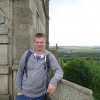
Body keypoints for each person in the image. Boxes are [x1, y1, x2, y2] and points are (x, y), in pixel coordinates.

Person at [15, 33, 63, 100]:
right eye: (37, 42)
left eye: (41, 42)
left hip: (39, 96)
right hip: (23, 95)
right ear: (34, 42)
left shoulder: (49, 56)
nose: (39, 44)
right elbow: (20, 72)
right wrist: (18, 91)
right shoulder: (27, 54)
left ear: (45, 42)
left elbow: (59, 70)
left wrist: (53, 82)